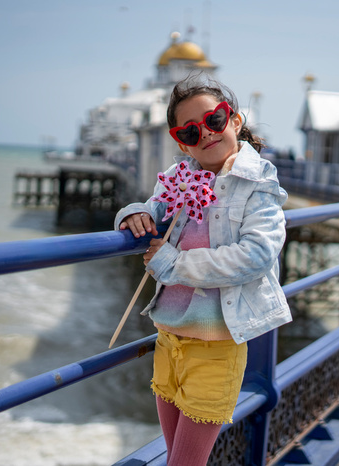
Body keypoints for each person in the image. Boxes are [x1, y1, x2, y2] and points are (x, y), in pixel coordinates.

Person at [114, 76, 291, 466]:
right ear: (181, 141)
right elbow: (152, 208)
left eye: (214, 120)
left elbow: (257, 254)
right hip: (168, 341)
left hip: (216, 347)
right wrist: (134, 213)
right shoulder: (180, 178)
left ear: (235, 120)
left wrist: (175, 265)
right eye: (191, 131)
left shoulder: (257, 183)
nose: (206, 135)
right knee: (175, 456)